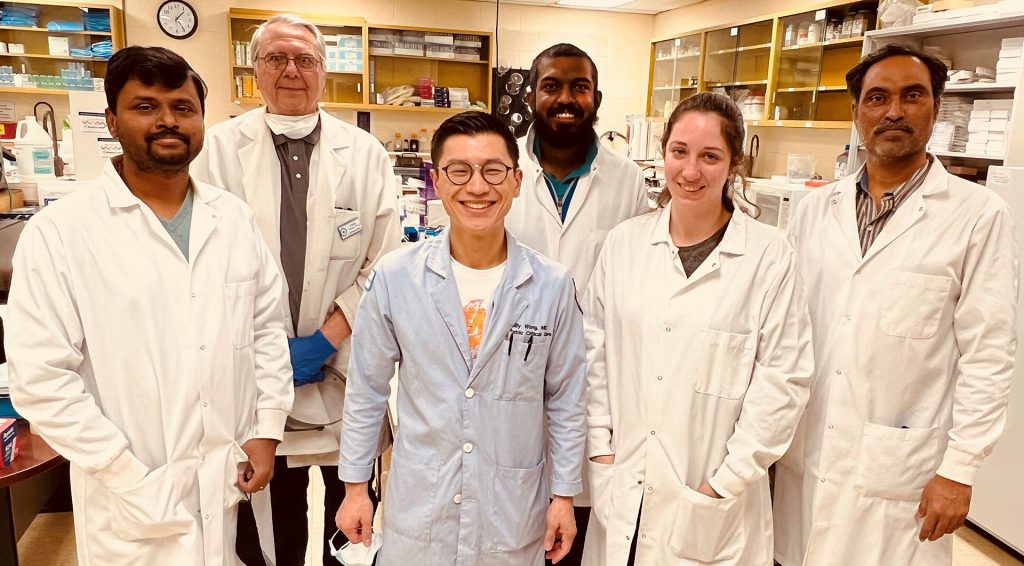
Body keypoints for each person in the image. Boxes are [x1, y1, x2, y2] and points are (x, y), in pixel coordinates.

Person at [3, 46, 293, 564]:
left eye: (183, 108)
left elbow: (267, 329)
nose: (167, 121)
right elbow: (41, 381)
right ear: (112, 120)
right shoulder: (63, 232)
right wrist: (126, 475)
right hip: (129, 498)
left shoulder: (234, 220)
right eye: (145, 106)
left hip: (226, 481)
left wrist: (267, 430)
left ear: (201, 121)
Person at [773, 44, 1019, 566]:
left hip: (902, 468)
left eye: (913, 96)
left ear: (935, 107)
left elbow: (989, 355)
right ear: (858, 111)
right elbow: (783, 334)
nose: (894, 111)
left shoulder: (977, 216)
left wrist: (960, 469)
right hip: (805, 452)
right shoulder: (815, 210)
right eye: (877, 98)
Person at [191, 13, 401, 565]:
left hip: (343, 372)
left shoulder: (365, 154)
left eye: (305, 60)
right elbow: (205, 263)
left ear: (323, 72)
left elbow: (385, 261)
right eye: (276, 59)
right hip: (256, 378)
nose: (291, 71)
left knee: (351, 521)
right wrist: (270, 352)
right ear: (254, 71)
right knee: (269, 520)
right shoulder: (216, 151)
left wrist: (324, 340)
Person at [335, 111, 587, 565]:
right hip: (421, 509)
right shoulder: (396, 277)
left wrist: (565, 495)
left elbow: (567, 397)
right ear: (437, 178)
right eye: (460, 171)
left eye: (493, 170)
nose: (477, 187)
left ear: (515, 180)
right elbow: (367, 389)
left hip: (511, 512)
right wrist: (356, 488)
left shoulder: (551, 284)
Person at [582, 92, 813, 566]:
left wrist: (725, 481)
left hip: (713, 496)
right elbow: (593, 356)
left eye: (710, 156)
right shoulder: (624, 244)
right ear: (662, 152)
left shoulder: (769, 256)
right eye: (680, 151)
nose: (690, 171)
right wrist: (601, 450)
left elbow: (784, 380)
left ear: (735, 164)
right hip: (623, 482)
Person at [504, 43, 649, 566]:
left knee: (579, 526)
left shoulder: (627, 180)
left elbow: (636, 279)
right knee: (510, 521)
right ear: (532, 94)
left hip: (594, 382)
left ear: (596, 98)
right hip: (507, 373)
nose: (566, 99)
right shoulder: (501, 170)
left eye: (579, 87)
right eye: (552, 86)